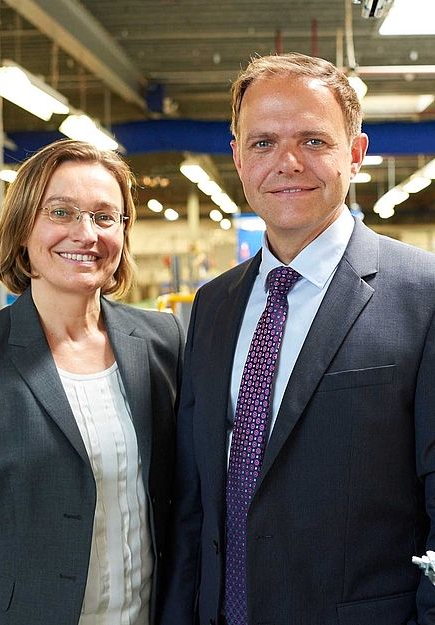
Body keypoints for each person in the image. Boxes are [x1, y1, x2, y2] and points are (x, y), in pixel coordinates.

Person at [160, 52, 435, 625]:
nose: (287, 163)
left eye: (313, 140)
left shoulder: (422, 295)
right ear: (237, 156)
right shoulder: (212, 305)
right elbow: (196, 499)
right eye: (262, 143)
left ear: (355, 154)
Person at [0, 139, 183, 625]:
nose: (85, 233)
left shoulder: (162, 342)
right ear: (24, 226)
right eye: (62, 212)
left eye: (105, 217)